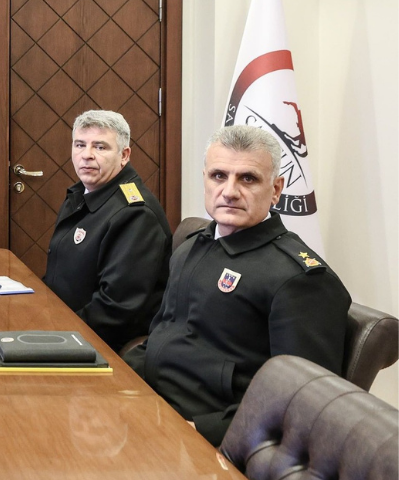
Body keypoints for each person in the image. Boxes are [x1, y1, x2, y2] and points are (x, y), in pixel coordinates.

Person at [124, 125, 350, 446]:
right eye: (219, 176)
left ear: (276, 189)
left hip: (210, 437)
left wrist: (200, 431)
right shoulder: (192, 246)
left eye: (248, 178)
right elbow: (161, 337)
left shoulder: (300, 279)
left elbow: (302, 401)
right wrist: (115, 379)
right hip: (149, 406)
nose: (229, 191)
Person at [41, 110, 172, 352]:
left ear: (124, 155)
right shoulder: (81, 194)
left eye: (100, 147)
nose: (87, 155)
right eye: (80, 145)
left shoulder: (135, 214)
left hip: (96, 342)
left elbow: (116, 309)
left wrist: (57, 335)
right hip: (63, 325)